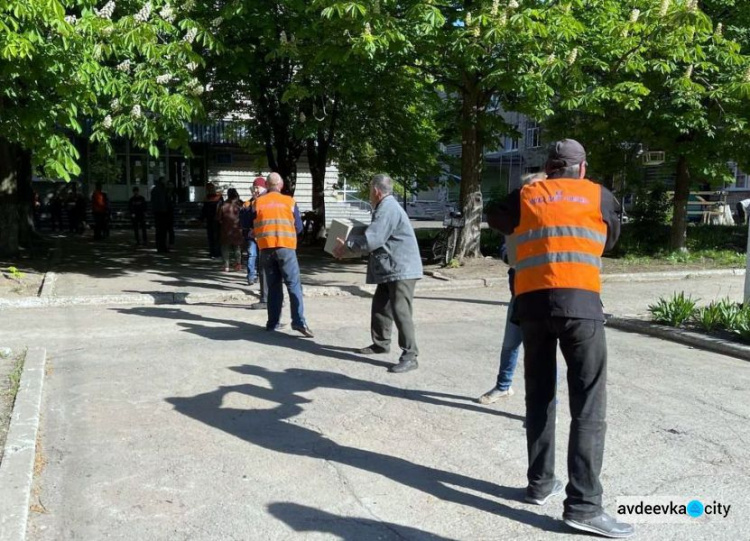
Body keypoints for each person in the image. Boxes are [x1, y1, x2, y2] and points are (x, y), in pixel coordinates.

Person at [492, 139, 633, 539]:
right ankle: (585, 506)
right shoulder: (599, 195)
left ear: (549, 168)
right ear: (582, 169)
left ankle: (539, 484)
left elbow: (496, 217)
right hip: (580, 307)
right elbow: (610, 242)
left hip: (532, 307)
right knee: (588, 402)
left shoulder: (527, 195)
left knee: (539, 397)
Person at [332, 173, 423, 374]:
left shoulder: (387, 208)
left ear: (375, 190)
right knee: (381, 305)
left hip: (401, 269)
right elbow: (373, 233)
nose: (368, 195)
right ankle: (381, 344)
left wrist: (347, 246)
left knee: (401, 311)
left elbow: (373, 239)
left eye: (369, 191)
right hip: (392, 268)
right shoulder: (386, 207)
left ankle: (410, 355)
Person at [479, 172, 546, 404]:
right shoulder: (517, 221)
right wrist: (509, 255)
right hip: (519, 292)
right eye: (525, 191)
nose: (528, 196)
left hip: (543, 295)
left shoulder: (549, 223)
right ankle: (503, 386)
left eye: (534, 190)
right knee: (510, 344)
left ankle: (547, 406)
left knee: (540, 354)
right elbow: (505, 249)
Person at [253, 172, 313, 337]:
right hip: (286, 249)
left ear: (266, 185)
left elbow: (247, 223)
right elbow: (299, 228)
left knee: (273, 287)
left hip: (266, 249)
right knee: (294, 285)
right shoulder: (289, 202)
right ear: (280, 185)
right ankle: (299, 321)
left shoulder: (258, 202)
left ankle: (272, 323)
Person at [241, 177, 270, 309]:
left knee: (266, 268)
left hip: (266, 239)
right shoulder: (250, 203)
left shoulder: (264, 201)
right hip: (258, 237)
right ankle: (251, 277)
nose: (255, 190)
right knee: (254, 257)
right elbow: (245, 221)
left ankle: (267, 299)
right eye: (253, 188)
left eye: (257, 187)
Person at [217, 188, 244, 272]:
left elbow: (218, 218)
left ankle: (226, 265)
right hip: (238, 228)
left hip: (226, 228)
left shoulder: (223, 205)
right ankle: (238, 264)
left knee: (225, 247)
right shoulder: (240, 204)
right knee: (237, 247)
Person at [201, 183, 223, 258]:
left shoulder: (208, 198)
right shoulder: (218, 197)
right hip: (213, 220)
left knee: (213, 237)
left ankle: (214, 252)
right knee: (214, 237)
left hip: (213, 220)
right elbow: (204, 210)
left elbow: (204, 210)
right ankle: (215, 252)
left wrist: (201, 219)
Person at [151, 177, 170, 253]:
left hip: (159, 211)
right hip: (161, 211)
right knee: (161, 231)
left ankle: (161, 247)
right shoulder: (161, 189)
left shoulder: (158, 189)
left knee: (160, 231)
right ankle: (161, 247)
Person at [167, 180, 177, 246]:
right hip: (165, 210)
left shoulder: (174, 194)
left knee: (171, 228)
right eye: (169, 184)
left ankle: (171, 241)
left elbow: (175, 201)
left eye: (171, 184)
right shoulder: (165, 192)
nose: (170, 186)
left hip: (171, 211)